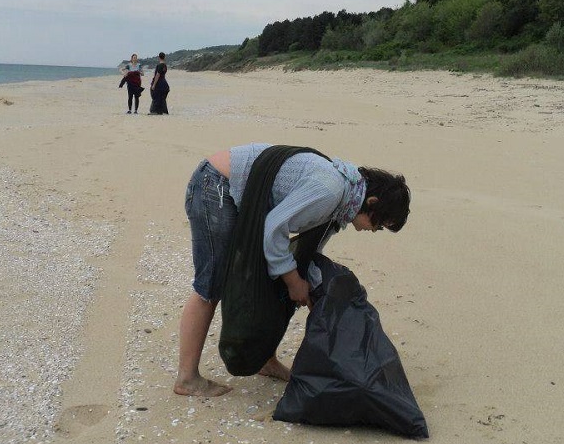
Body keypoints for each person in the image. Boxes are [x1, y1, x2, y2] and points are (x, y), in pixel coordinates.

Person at [174, 143, 411, 397]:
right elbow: (274, 229)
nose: (373, 231)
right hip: (216, 186)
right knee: (211, 285)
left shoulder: (342, 200)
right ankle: (187, 378)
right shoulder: (330, 191)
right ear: (372, 203)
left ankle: (265, 360)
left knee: (275, 281)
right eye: (379, 225)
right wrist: (293, 281)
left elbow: (305, 253)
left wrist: (306, 286)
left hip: (232, 191)